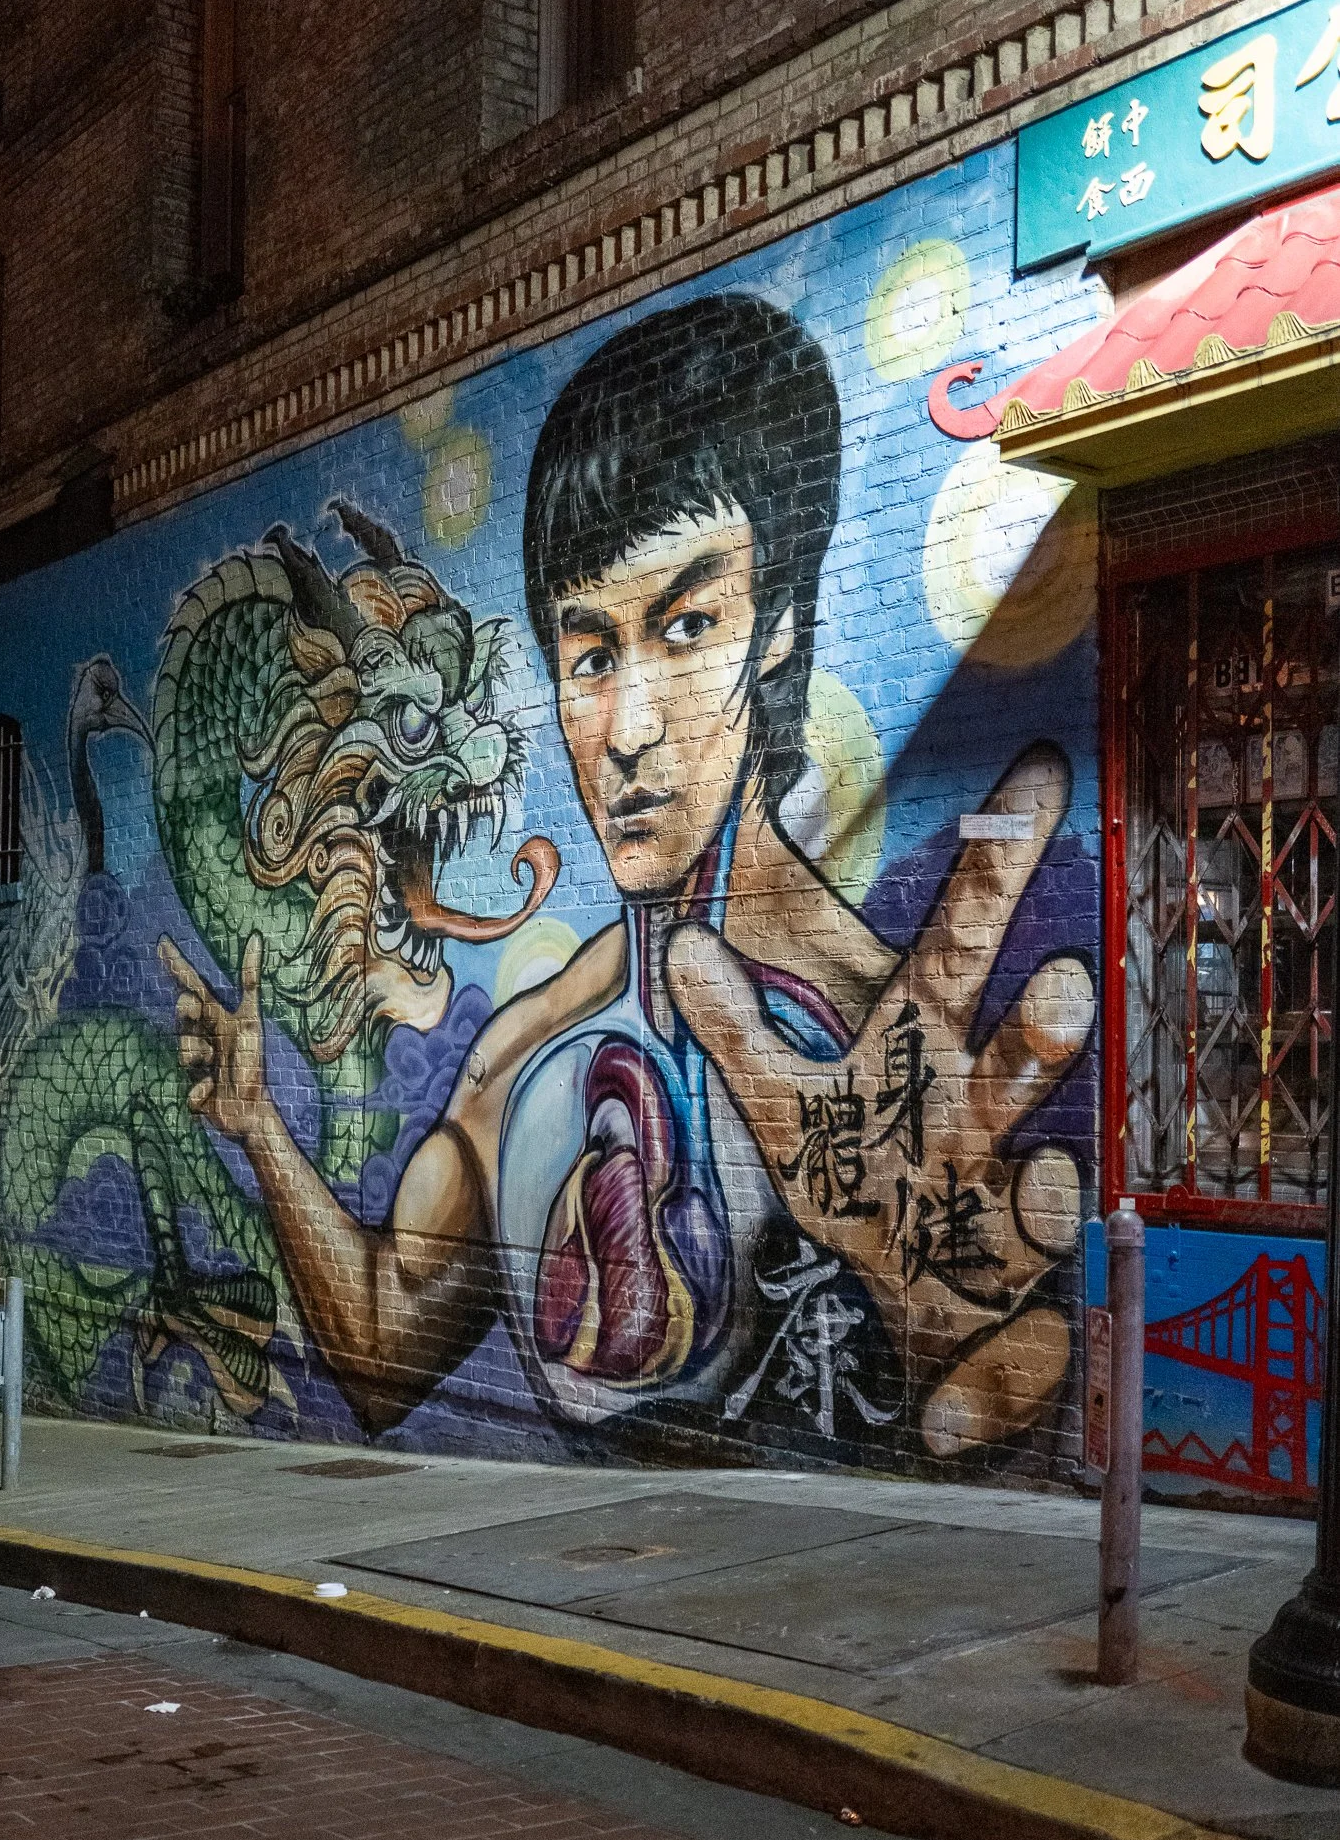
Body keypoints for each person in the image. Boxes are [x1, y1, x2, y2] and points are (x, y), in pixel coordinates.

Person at [165, 293, 1093, 1452]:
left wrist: (951, 1363)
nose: (627, 727)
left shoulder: (883, 1050)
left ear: (784, 627)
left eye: (689, 624)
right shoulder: (529, 1046)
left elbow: (991, 1402)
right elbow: (382, 1352)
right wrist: (256, 1124)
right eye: (590, 652)